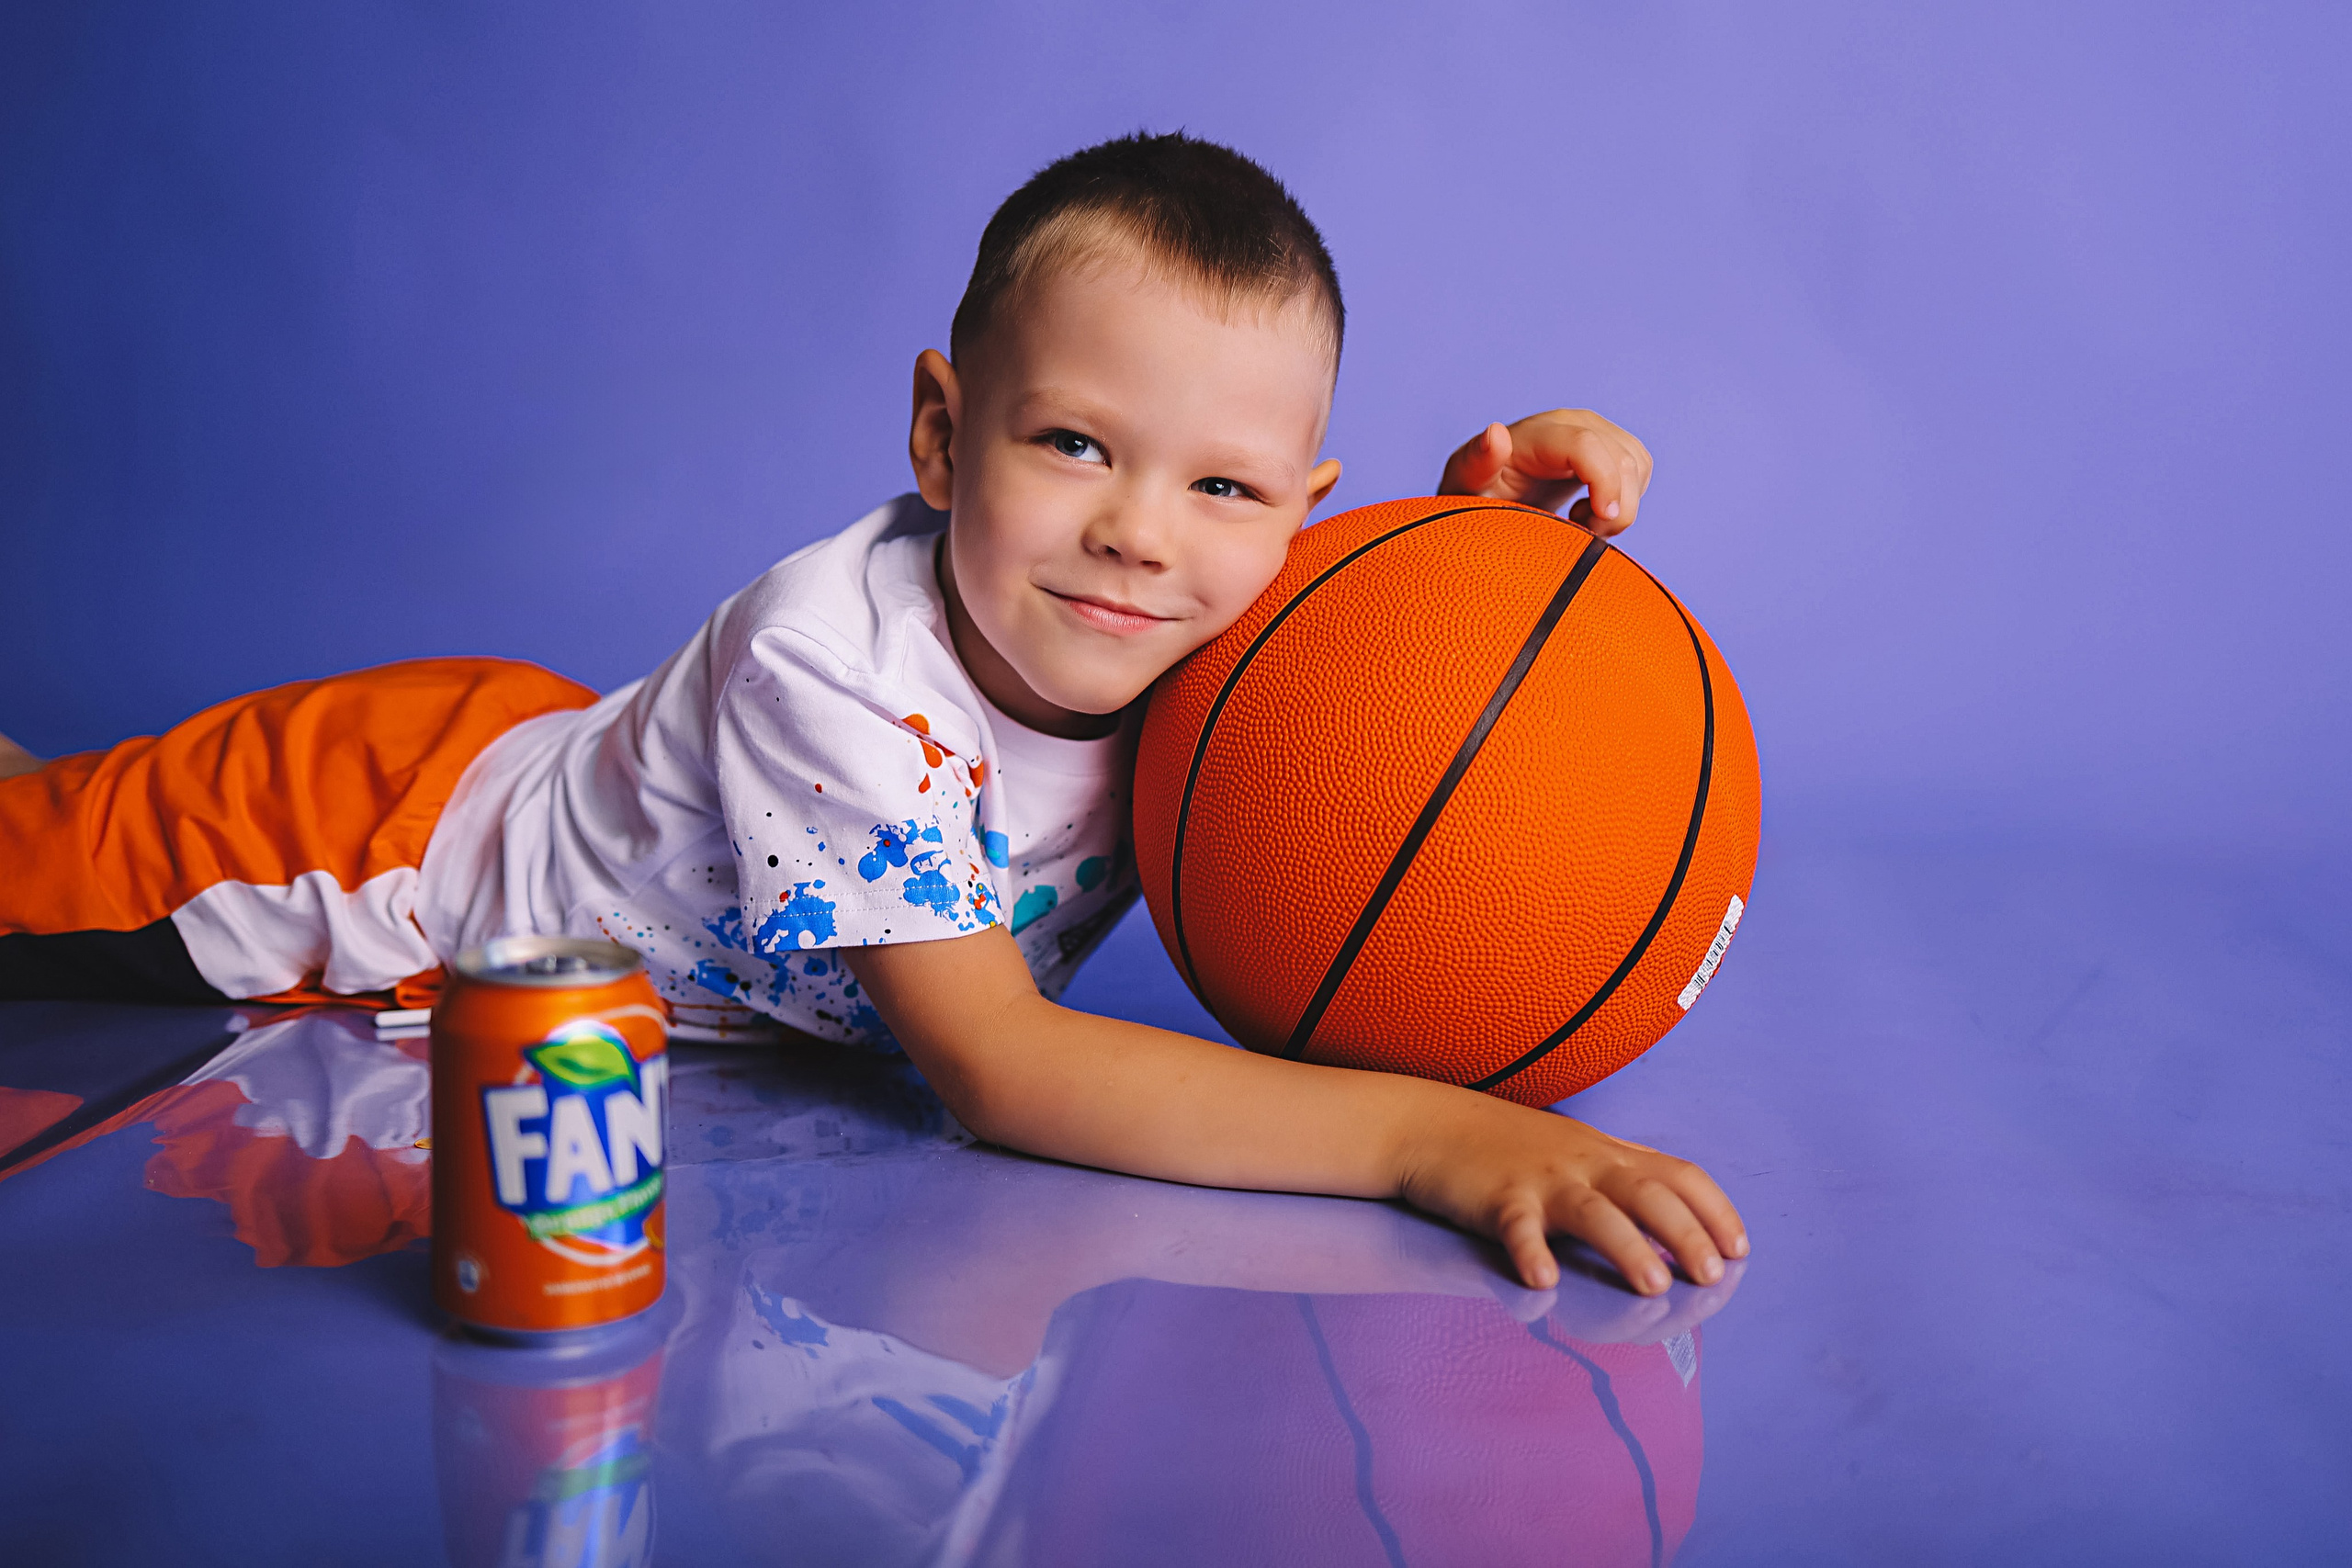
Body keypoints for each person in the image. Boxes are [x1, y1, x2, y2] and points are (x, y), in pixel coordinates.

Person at [0, 131, 1745, 1296]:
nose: (1142, 529)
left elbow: (1381, 703)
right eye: (1074, 443)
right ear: (940, 432)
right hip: (376, 842)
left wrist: (1477, 543)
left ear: (1299, 517)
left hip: (582, 763)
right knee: (27, 864)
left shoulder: (1171, 605)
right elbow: (995, 1065)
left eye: (1228, 486)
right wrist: (1433, 1140)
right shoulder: (835, 667)